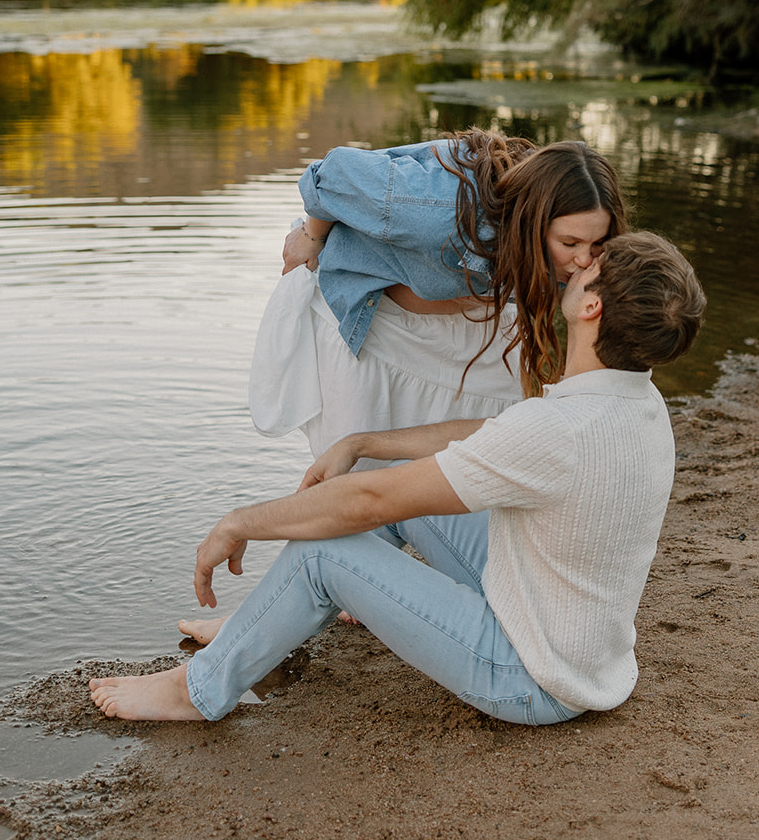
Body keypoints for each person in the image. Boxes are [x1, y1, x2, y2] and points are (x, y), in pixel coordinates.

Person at [90, 232, 706, 727]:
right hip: (572, 642)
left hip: (528, 676)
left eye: (590, 270)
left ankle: (195, 692)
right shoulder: (637, 405)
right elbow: (495, 430)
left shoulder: (559, 431)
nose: (576, 266)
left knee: (328, 550)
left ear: (592, 307)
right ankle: (265, 622)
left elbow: (369, 501)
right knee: (396, 478)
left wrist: (238, 522)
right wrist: (361, 442)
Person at [249, 130, 627, 463]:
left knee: (498, 440)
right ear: (531, 223)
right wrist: (311, 238)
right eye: (570, 243)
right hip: (377, 328)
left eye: (597, 243)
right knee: (360, 468)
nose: (583, 260)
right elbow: (332, 174)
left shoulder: (576, 253)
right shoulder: (435, 211)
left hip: (472, 324)